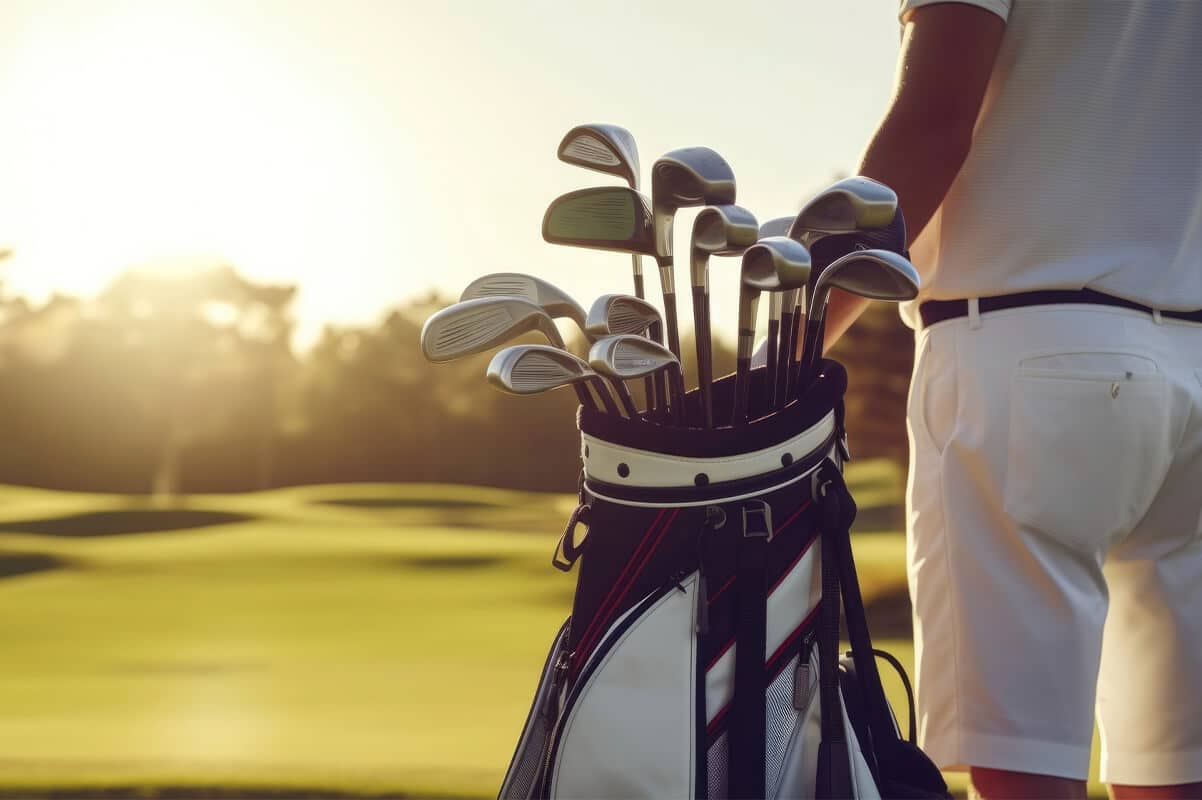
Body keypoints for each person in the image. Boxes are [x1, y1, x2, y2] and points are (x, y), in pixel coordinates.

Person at [818, 2, 1202, 798]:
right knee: (1174, 769)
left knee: (1026, 774)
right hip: (1190, 360)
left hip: (1025, 354)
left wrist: (788, 341)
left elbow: (930, 127)